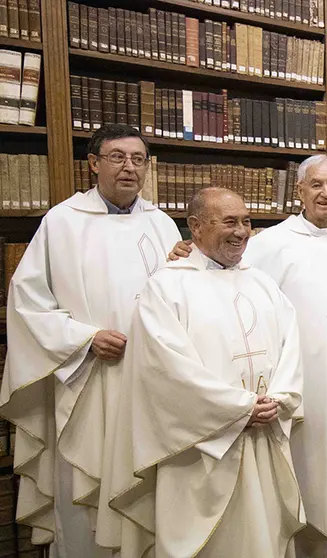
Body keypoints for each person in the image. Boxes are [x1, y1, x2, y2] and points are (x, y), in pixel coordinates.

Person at [168, 155, 327, 557]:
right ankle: (306, 539)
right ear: (300, 191)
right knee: (311, 459)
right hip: (303, 379)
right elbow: (224, 272)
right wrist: (189, 253)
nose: (326, 193)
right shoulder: (271, 242)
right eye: (317, 185)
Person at [0, 124, 181, 556]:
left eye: (138, 159)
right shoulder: (62, 223)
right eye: (117, 157)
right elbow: (27, 304)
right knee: (87, 485)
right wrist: (85, 339)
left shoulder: (162, 225)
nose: (129, 168)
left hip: (150, 384)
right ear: (94, 164)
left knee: (145, 488)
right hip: (89, 380)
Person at [107, 188, 305, 557]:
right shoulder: (167, 287)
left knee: (262, 533)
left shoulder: (262, 283)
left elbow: (291, 347)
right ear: (195, 227)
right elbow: (166, 370)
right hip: (199, 450)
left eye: (247, 222)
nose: (241, 232)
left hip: (262, 435)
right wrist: (238, 409)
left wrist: (279, 397)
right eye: (229, 222)